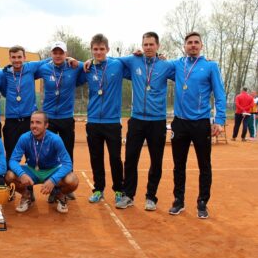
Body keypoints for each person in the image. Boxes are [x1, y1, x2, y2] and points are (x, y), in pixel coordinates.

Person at [168, 32, 226, 219]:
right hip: (180, 123)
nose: (192, 45)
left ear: (201, 46)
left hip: (201, 123)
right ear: (184, 46)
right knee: (179, 165)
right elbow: (156, 66)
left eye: (196, 43)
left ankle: (202, 203)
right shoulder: (177, 65)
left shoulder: (210, 66)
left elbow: (219, 95)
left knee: (204, 164)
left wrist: (219, 119)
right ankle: (179, 200)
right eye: (189, 43)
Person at [115, 32, 175, 211]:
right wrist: (90, 62)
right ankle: (128, 195)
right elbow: (112, 61)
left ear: (158, 46)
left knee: (156, 161)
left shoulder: (166, 65)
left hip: (157, 121)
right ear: (141, 45)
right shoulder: (134, 61)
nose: (148, 47)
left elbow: (186, 70)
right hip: (137, 120)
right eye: (145, 44)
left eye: (151, 44)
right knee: (131, 159)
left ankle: (151, 197)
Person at [35, 41, 85, 201]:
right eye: (55, 52)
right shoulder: (43, 68)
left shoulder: (73, 67)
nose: (58, 55)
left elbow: (89, 67)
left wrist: (77, 61)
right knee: (49, 154)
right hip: (48, 118)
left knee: (67, 153)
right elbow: (27, 67)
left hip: (66, 118)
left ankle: (66, 187)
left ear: (66, 54)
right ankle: (53, 188)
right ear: (51, 54)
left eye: (61, 53)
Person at [83, 34, 129, 206]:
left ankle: (118, 189)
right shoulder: (86, 68)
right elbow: (73, 65)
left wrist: (156, 56)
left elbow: (135, 61)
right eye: (95, 49)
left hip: (112, 122)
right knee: (96, 157)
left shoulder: (117, 65)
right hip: (93, 121)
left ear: (108, 49)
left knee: (115, 158)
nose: (98, 52)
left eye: (102, 49)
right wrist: (82, 60)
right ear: (91, 50)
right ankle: (98, 189)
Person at [5, 111, 78, 214]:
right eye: (32, 122)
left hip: (52, 170)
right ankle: (27, 195)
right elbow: (13, 160)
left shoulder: (55, 139)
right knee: (9, 176)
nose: (34, 126)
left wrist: (53, 180)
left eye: (38, 122)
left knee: (73, 180)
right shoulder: (24, 138)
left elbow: (67, 164)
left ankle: (60, 195)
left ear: (46, 125)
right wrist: (22, 174)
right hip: (32, 170)